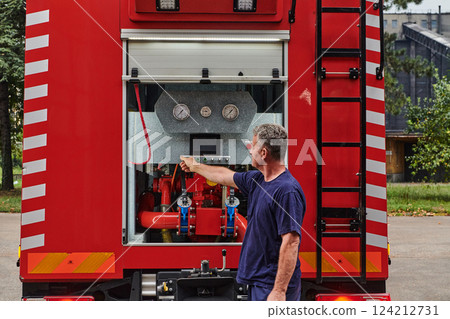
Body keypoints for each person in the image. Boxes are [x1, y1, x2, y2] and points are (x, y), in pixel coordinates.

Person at [180, 123, 306, 301]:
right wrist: (195, 166)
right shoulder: (257, 180)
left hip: (271, 285)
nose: (250, 151)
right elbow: (224, 175)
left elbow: (291, 242)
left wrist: (279, 290)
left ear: (263, 153)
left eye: (253, 146)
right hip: (259, 281)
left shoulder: (286, 191)